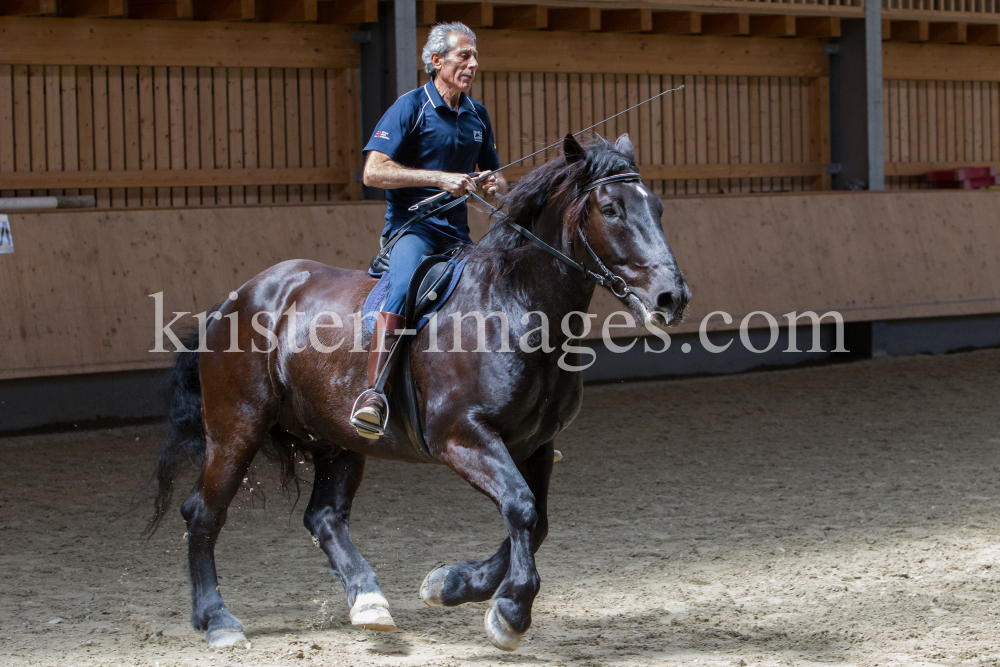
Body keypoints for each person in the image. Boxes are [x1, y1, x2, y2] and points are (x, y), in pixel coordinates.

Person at [351, 22, 506, 439]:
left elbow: (490, 172)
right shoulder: (410, 107)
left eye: (474, 56)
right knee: (401, 287)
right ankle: (373, 394)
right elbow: (373, 172)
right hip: (412, 231)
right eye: (464, 56)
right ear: (436, 61)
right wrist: (439, 179)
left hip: (457, 237)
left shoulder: (477, 114)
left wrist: (493, 182)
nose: (473, 64)